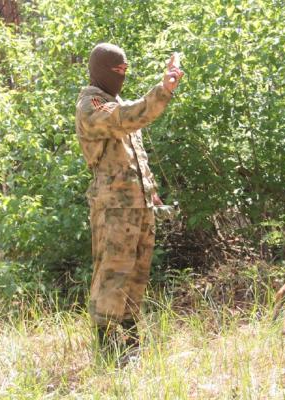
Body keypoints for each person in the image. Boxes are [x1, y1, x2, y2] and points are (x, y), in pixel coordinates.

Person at [75, 43, 183, 351]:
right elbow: (125, 118)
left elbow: (134, 156)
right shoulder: (91, 105)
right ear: (100, 70)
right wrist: (162, 90)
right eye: (116, 71)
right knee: (113, 272)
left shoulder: (115, 100)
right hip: (113, 207)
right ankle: (108, 346)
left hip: (139, 204)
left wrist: (152, 191)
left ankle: (131, 340)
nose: (122, 76)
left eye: (125, 71)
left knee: (137, 272)